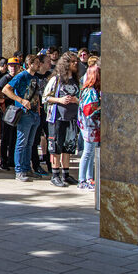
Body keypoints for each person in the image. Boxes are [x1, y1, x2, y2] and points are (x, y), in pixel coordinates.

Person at [3, 54, 44, 182]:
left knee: (30, 143)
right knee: (21, 142)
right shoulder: (21, 76)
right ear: (30, 64)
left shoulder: (35, 78)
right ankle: (19, 170)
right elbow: (6, 89)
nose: (39, 65)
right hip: (24, 113)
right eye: (36, 62)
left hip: (34, 113)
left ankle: (27, 168)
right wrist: (21, 100)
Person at [43, 52, 81, 187]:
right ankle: (55, 174)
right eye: (72, 61)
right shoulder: (56, 79)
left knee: (68, 147)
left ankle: (66, 174)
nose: (75, 64)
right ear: (66, 63)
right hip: (57, 117)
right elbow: (45, 97)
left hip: (71, 117)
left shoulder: (76, 80)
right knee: (55, 146)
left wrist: (76, 100)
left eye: (76, 61)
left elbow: (81, 96)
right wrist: (59, 99)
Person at [78, 64, 101, 190]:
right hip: (89, 126)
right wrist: (99, 107)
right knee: (87, 153)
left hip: (90, 126)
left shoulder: (89, 90)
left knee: (91, 153)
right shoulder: (90, 91)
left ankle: (89, 178)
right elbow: (88, 110)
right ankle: (82, 180)